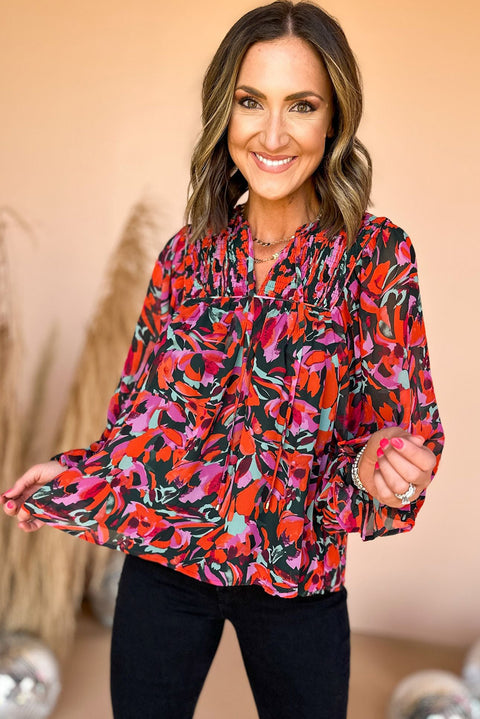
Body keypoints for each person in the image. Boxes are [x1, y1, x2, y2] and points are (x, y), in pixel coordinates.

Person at [2, 2, 444, 717]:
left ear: (333, 121)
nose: (272, 135)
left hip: (295, 578)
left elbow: (399, 437)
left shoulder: (376, 255)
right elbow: (140, 425)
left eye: (301, 106)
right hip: (163, 567)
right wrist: (79, 473)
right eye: (250, 101)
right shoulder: (185, 255)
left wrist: (376, 469)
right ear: (223, 111)